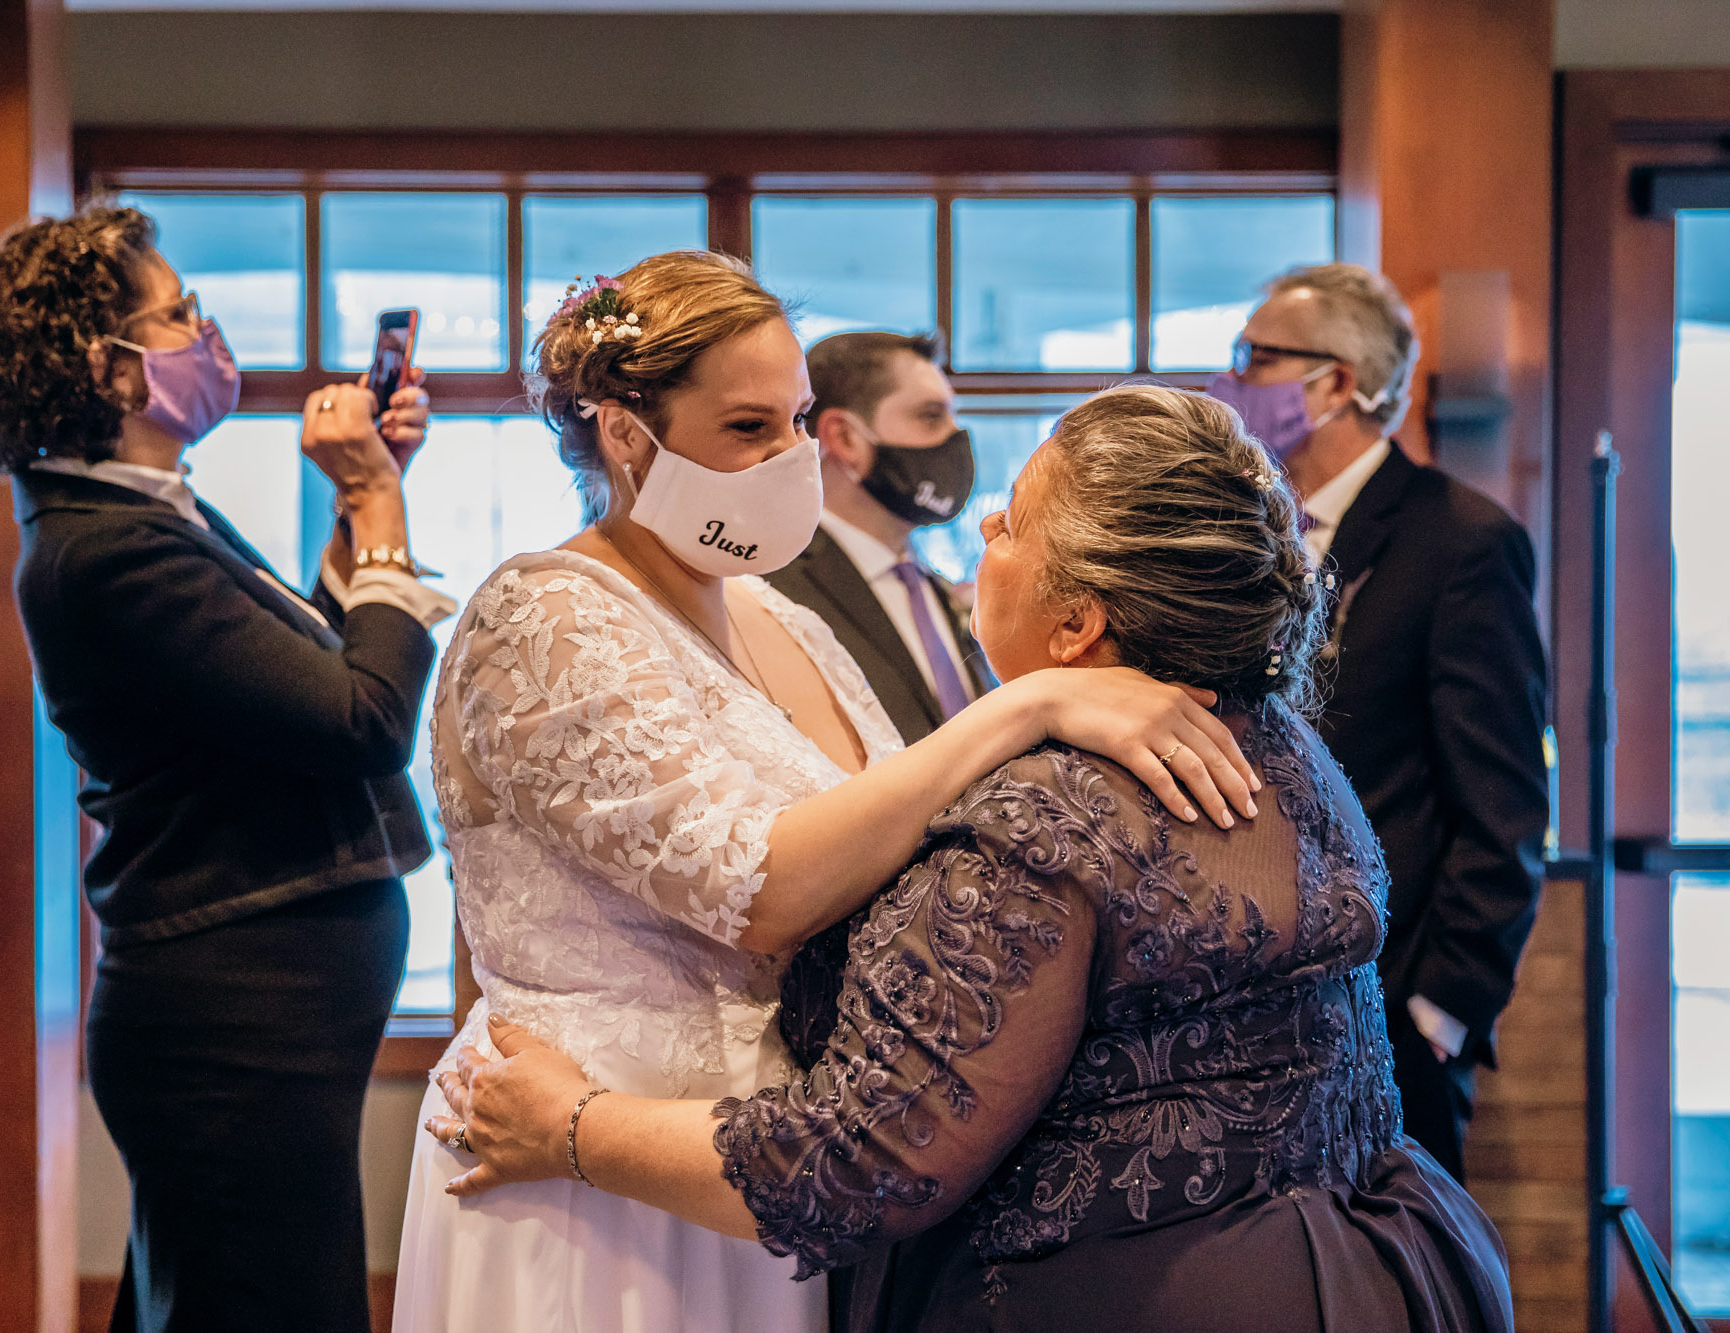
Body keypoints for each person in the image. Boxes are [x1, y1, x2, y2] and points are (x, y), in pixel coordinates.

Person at [430, 385, 1515, 1333]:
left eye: (1016, 520)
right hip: (1371, 1253)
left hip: (1136, 1294)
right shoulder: (1276, 742)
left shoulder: (1043, 817)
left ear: (1079, 620)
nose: (984, 519)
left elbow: (859, 1161)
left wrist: (571, 1127)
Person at [391, 255, 1264, 1333]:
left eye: (800, 419)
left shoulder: (777, 616)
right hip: (590, 1163)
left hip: (775, 1156)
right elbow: (758, 885)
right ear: (626, 435)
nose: (792, 457)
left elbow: (901, 842)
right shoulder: (542, 614)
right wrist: (1023, 709)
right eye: (748, 428)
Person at [0, 204, 451, 1333]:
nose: (204, 329)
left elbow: (292, 686)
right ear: (105, 365)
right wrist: (378, 508)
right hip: (231, 1023)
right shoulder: (102, 551)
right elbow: (362, 718)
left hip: (257, 1012)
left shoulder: (142, 513)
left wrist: (363, 505)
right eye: (177, 315)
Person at [1206, 263, 1548, 1182]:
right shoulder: (1254, 535)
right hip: (1255, 995)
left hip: (1391, 999)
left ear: (1339, 383)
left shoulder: (1459, 539)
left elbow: (1505, 804)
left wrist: (1441, 1007)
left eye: (1256, 357)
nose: (1234, 379)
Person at [768, 331, 991, 746]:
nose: (955, 438)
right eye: (930, 416)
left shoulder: (933, 585)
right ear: (845, 437)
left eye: (953, 417)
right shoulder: (775, 586)